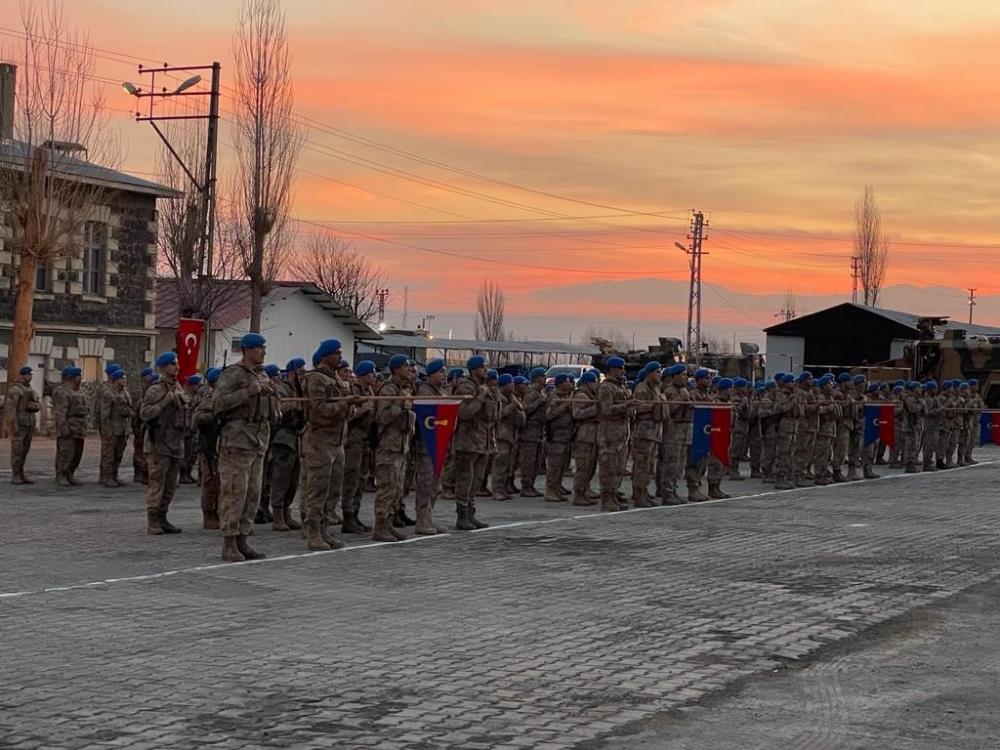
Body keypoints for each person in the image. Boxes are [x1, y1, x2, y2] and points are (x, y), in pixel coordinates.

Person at [213, 333, 277, 561]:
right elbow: (218, 403)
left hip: (258, 440)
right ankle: (228, 543)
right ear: (247, 350)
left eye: (264, 347)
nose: (263, 351)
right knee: (234, 493)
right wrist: (247, 392)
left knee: (252, 494)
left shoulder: (263, 374)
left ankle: (243, 539)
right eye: (259, 348)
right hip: (237, 441)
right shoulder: (233, 374)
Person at [300, 338, 353, 551]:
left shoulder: (337, 380)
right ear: (325, 356)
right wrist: (345, 404)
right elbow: (319, 409)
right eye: (336, 353)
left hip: (336, 441)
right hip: (319, 441)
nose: (340, 357)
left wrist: (351, 405)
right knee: (317, 490)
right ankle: (313, 532)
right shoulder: (316, 379)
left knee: (332, 490)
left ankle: (324, 530)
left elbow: (343, 409)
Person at [140, 353, 190, 534]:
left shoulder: (178, 386)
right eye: (172, 364)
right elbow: (145, 413)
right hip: (158, 443)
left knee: (170, 484)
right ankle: (152, 519)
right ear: (162, 367)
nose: (176, 367)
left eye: (176, 364)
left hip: (175, 442)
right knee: (157, 483)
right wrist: (165, 402)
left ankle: (163, 516)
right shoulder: (156, 389)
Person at [372, 354, 416, 542]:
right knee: (386, 489)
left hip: (401, 446)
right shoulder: (388, 390)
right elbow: (382, 417)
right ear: (396, 369)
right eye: (405, 367)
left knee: (397, 490)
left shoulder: (404, 389)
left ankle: (389, 523)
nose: (409, 370)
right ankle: (380, 527)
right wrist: (400, 404)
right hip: (388, 446)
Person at [452, 355, 494, 530]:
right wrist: (480, 397)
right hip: (467, 441)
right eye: (482, 367)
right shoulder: (465, 388)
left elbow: (492, 414)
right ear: (474, 369)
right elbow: (464, 413)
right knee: (465, 479)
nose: (485, 370)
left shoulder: (484, 387)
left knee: (476, 479)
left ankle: (471, 513)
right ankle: (461, 515)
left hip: (482, 440)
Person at [269, 358, 306, 532]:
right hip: (284, 436)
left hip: (298, 436)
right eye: (300, 372)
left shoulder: (301, 389)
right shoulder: (282, 389)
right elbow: (276, 410)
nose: (302, 375)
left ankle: (286, 510)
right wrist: (293, 404)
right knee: (281, 477)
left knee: (293, 479)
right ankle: (277, 513)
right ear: (291, 372)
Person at [597, 357, 632, 512]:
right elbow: (606, 409)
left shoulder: (621, 387)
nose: (622, 371)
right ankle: (606, 498)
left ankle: (613, 494)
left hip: (622, 432)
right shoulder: (607, 388)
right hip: (609, 433)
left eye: (623, 368)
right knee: (608, 466)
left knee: (618, 467)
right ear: (611, 370)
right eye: (619, 368)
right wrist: (625, 406)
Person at [630, 362, 666, 508]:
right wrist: (654, 404)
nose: (659, 374)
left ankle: (643, 492)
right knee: (641, 466)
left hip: (654, 432)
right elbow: (636, 409)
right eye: (657, 372)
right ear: (649, 373)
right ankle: (639, 495)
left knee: (648, 466)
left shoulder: (656, 388)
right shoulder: (641, 388)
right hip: (643, 432)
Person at [194, 367, 223, 528]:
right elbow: (197, 419)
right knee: (210, 482)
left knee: (219, 482)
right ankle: (209, 515)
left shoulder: (221, 397)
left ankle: (218, 512)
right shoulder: (209, 398)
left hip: (219, 444)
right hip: (208, 445)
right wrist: (215, 414)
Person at [659, 363, 691, 503]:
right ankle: (667, 492)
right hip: (672, 432)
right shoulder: (669, 391)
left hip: (683, 432)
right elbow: (668, 410)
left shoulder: (684, 390)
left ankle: (673, 490)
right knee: (670, 464)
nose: (685, 378)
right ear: (674, 376)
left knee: (678, 465)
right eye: (682, 374)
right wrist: (682, 400)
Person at [491, 373, 524, 501]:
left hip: (512, 434)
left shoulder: (512, 397)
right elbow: (501, 414)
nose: (512, 385)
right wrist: (513, 406)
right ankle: (497, 489)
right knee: (500, 463)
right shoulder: (499, 398)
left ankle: (504, 488)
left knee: (509, 464)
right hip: (502, 435)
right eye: (510, 383)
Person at [543, 373, 576, 502]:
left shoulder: (566, 396)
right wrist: (564, 406)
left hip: (566, 435)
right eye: (567, 382)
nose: (569, 384)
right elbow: (550, 415)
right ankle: (550, 490)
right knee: (554, 465)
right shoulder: (554, 397)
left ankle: (557, 488)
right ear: (561, 383)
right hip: (557, 436)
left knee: (562, 466)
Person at [98, 368, 133, 487]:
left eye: (124, 378)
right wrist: (106, 430)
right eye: (121, 378)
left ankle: (114, 475)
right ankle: (106, 477)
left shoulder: (125, 392)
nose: (124, 380)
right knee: (109, 454)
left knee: (118, 454)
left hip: (122, 428)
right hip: (112, 428)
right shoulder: (109, 394)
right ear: (116, 380)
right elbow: (105, 415)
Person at [54, 366, 88, 486]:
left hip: (79, 427)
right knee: (66, 452)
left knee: (77, 453)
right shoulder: (63, 391)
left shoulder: (79, 391)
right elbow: (60, 413)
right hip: (69, 427)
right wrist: (64, 428)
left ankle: (70, 473)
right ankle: (61, 474)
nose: (80, 378)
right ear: (72, 378)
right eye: (78, 376)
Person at [571, 371, 600, 506]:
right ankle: (579, 493)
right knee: (583, 466)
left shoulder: (591, 395)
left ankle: (586, 489)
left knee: (590, 466)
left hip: (592, 435)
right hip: (584, 435)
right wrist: (595, 409)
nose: (597, 384)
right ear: (589, 383)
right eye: (595, 382)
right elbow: (577, 414)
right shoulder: (581, 395)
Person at [7, 366, 40, 484]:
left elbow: (36, 404)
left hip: (29, 424)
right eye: (27, 375)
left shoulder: (30, 389)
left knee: (25, 451)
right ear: (22, 375)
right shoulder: (15, 390)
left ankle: (21, 473)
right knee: (17, 451)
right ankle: (16, 474)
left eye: (31, 375)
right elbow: (11, 410)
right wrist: (13, 426)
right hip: (20, 425)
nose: (29, 377)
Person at [518, 368, 547, 497]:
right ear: (536, 378)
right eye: (542, 376)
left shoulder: (541, 393)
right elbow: (525, 410)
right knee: (528, 462)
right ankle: (526, 486)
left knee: (536, 462)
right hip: (530, 432)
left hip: (539, 432)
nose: (544, 379)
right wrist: (538, 402)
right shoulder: (531, 394)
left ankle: (531, 485)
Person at [132, 367, 155, 484]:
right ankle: (139, 474)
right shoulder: (138, 392)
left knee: (145, 452)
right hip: (139, 424)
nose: (150, 379)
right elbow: (136, 411)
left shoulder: (149, 390)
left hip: (145, 425)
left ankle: (144, 473)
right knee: (139, 452)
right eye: (148, 376)